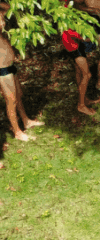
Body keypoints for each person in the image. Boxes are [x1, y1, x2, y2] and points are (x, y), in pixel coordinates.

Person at [0, 5, 43, 142]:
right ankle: (17, 131)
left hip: (9, 65)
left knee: (19, 95)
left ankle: (26, 121)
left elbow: (9, 7)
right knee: (11, 100)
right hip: (2, 70)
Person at [61, 25, 100, 116]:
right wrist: (95, 35)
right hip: (73, 46)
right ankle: (81, 105)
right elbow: (83, 38)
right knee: (87, 75)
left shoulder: (67, 20)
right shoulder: (67, 21)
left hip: (73, 44)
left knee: (79, 71)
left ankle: (84, 99)